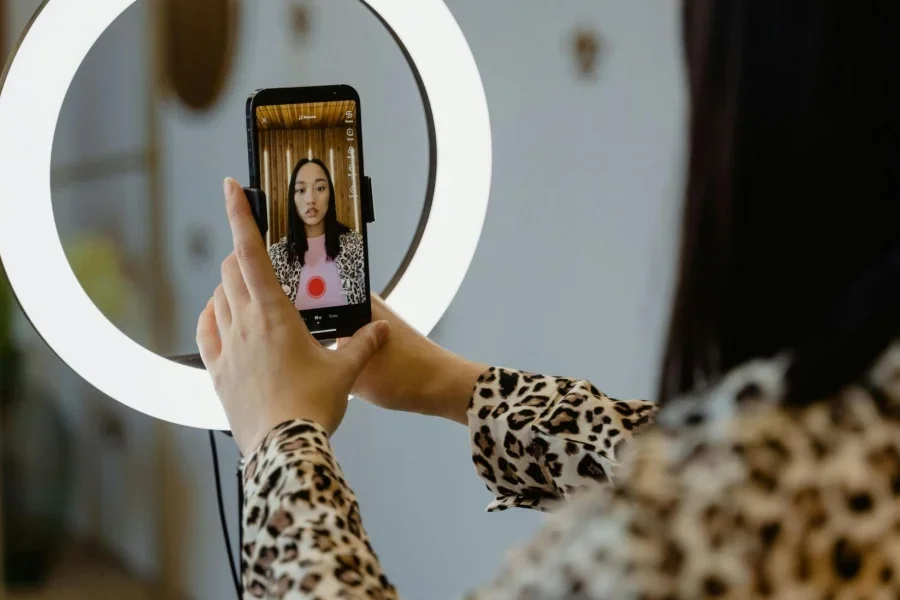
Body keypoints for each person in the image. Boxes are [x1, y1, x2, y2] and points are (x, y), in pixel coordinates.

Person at [198, 0, 900, 597]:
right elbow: (673, 449)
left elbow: (713, 484)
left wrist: (280, 442)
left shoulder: (715, 516)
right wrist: (455, 386)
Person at [268, 157, 366, 310]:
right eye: (301, 190)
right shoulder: (276, 256)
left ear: (330, 194)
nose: (310, 199)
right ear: (292, 198)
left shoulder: (357, 246)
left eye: (320, 188)